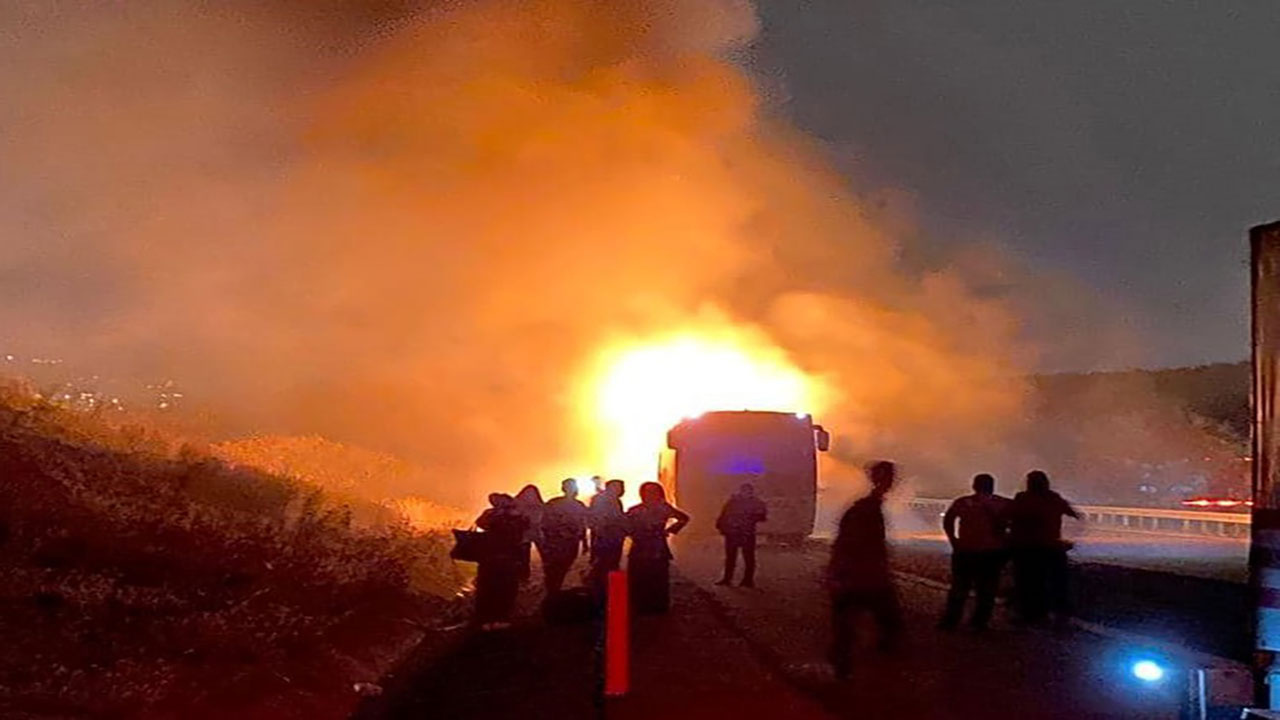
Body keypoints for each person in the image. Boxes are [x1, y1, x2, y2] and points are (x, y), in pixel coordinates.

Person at [827, 460, 903, 680]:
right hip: (863, 575)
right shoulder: (866, 509)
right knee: (887, 624)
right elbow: (854, 542)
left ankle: (844, 665)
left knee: (848, 625)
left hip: (857, 574)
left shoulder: (864, 507)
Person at [939, 473, 1011, 630]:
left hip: (965, 551)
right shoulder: (1003, 503)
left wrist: (953, 540)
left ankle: (951, 621)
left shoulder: (963, 502)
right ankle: (979, 623)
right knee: (987, 591)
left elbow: (948, 520)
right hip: (991, 554)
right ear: (992, 486)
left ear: (974, 486)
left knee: (959, 588)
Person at [1009, 470, 1079, 625]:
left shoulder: (1022, 498)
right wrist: (1069, 540)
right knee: (1056, 582)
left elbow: (1011, 518)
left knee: (1028, 582)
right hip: (1051, 547)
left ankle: (1030, 614)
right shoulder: (1054, 498)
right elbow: (1074, 516)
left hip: (1026, 548)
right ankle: (1059, 614)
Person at [625, 482, 690, 614]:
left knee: (658, 577)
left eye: (653, 492)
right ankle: (639, 605)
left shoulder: (664, 508)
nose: (650, 495)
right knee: (639, 577)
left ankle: (657, 606)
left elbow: (684, 518)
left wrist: (670, 530)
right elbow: (626, 526)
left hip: (657, 547)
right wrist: (634, 533)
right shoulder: (635, 510)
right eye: (648, 492)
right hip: (640, 546)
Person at [474, 493, 529, 630]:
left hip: (492, 557)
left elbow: (481, 524)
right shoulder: (515, 515)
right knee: (503, 588)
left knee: (490, 588)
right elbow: (524, 529)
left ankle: (487, 618)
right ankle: (499, 617)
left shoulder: (493, 514)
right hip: (505, 557)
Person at [540, 478, 589, 595]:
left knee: (562, 566)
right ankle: (552, 591)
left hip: (571, 542)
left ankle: (553, 590)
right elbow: (545, 522)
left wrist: (584, 541)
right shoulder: (554, 503)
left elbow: (582, 524)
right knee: (555, 568)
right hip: (557, 541)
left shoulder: (578, 505)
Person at [715, 483, 768, 588]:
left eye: (748, 491)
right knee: (731, 557)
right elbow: (724, 514)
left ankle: (747, 580)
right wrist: (721, 526)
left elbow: (762, 517)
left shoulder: (754, 503)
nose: (746, 493)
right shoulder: (733, 502)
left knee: (748, 558)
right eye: (744, 491)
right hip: (734, 533)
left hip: (745, 533)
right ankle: (728, 579)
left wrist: (751, 518)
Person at [587, 479, 627, 591]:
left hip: (612, 537)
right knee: (606, 564)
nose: (620, 490)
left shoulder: (612, 500)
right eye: (618, 487)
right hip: (606, 538)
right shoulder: (604, 500)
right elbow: (599, 519)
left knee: (608, 564)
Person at [513, 485, 544, 583]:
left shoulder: (541, 507)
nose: (530, 497)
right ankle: (523, 578)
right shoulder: (517, 507)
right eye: (528, 494)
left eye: (532, 494)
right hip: (524, 537)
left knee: (546, 556)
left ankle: (549, 573)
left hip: (538, 535)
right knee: (523, 559)